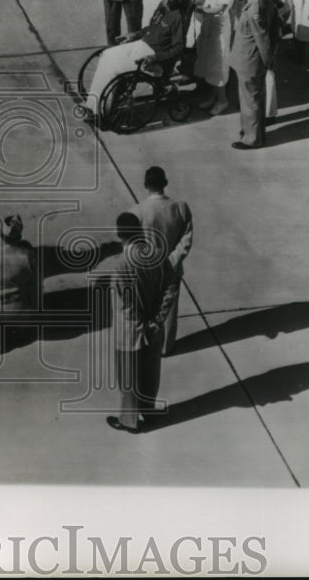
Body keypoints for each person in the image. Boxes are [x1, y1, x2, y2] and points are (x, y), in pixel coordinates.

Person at [83, 0, 189, 117]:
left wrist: (155, 57)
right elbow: (151, 28)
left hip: (152, 56)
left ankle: (102, 111)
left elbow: (179, 47)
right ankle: (91, 105)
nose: (165, 2)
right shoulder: (163, 6)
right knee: (106, 56)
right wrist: (134, 34)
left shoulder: (178, 17)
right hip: (141, 44)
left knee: (113, 68)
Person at [105, 212, 169, 434]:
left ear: (120, 235)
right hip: (155, 327)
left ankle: (129, 421)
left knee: (128, 377)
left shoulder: (121, 265)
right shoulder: (158, 255)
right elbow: (171, 287)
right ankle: (148, 411)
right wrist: (158, 319)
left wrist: (142, 324)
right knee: (151, 372)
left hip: (130, 331)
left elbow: (126, 304)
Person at [128, 167, 193, 356]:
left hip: (147, 270)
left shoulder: (136, 212)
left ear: (146, 186)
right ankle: (166, 347)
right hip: (172, 268)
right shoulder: (181, 208)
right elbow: (186, 239)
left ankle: (148, 343)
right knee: (170, 308)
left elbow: (132, 244)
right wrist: (172, 259)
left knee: (147, 308)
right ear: (165, 184)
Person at [0, 214, 38, 356]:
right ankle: (19, 327)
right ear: (19, 237)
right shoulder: (28, 255)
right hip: (19, 309)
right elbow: (34, 282)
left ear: (1, 236)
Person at [230, 0, 278, 149]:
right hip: (245, 58)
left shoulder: (255, 6)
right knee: (249, 98)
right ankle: (251, 131)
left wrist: (267, 61)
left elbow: (262, 36)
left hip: (249, 59)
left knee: (250, 99)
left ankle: (253, 139)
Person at [193, 0, 237, 115]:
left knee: (218, 64)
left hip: (220, 26)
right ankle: (213, 96)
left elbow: (222, 7)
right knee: (208, 62)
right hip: (209, 24)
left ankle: (222, 100)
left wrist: (201, 10)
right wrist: (193, 2)